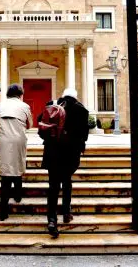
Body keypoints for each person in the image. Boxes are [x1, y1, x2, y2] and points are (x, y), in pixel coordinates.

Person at [41, 88, 89, 238]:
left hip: (52, 153)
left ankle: (52, 220)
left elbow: (41, 124)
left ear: (63, 95)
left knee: (53, 186)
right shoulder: (81, 110)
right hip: (70, 154)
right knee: (67, 181)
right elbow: (84, 136)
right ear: (76, 96)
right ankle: (66, 213)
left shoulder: (52, 105)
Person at [0, 84, 32, 221]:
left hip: (3, 139)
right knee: (18, 165)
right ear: (20, 94)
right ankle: (18, 195)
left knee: (5, 173)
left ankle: (3, 211)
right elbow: (30, 124)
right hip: (18, 139)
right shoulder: (25, 106)